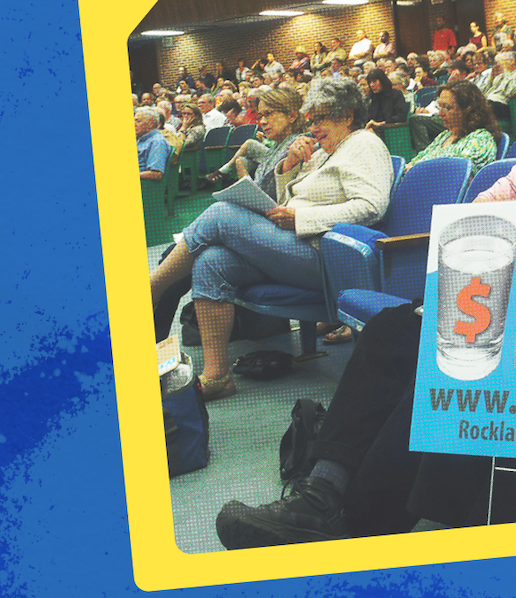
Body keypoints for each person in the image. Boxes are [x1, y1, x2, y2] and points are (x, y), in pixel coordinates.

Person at [211, 45, 516, 547]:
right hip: (499, 291)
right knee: (390, 332)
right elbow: (479, 205)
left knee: (444, 356)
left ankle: (360, 520)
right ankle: (322, 495)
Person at [148, 78, 392, 401]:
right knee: (211, 263)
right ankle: (217, 376)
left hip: (325, 256)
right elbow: (291, 198)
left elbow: (372, 206)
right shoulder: (326, 152)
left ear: (347, 115)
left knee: (222, 215)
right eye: (312, 119)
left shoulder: (364, 144)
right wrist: (288, 166)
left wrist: (301, 219)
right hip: (294, 247)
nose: (314, 128)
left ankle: (151, 287)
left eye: (321, 119)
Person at [407, 79, 506, 172]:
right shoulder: (445, 135)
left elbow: (457, 174)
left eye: (447, 108)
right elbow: (417, 160)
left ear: (468, 110)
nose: (440, 113)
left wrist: (415, 172)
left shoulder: (481, 138)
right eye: (439, 107)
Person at [134, 107, 169, 181]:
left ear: (150, 124)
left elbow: (156, 174)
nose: (134, 124)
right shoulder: (141, 138)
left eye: (138, 121)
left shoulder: (157, 142)